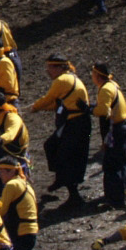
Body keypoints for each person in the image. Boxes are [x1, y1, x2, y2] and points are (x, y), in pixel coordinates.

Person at [31, 55, 91, 207]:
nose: (48, 71)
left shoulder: (61, 81)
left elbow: (49, 98)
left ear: (58, 68)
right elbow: (58, 103)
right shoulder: (69, 79)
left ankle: (73, 193)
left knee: (67, 155)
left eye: (50, 67)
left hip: (76, 123)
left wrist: (35, 107)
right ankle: (60, 178)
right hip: (74, 122)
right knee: (52, 146)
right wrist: (41, 108)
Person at [91, 63, 126, 208]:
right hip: (124, 127)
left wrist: (90, 110)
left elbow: (103, 111)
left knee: (113, 165)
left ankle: (116, 200)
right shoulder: (112, 85)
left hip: (118, 130)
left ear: (97, 75)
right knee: (125, 161)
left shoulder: (105, 89)